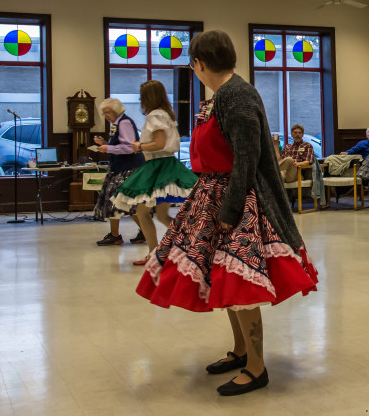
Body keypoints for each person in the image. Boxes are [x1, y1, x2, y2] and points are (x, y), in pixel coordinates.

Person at [136, 30, 318, 396]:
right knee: (224, 277)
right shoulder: (223, 95)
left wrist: (231, 209)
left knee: (241, 279)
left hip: (239, 200)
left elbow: (247, 159)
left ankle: (257, 367)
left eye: (194, 64)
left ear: (200, 64)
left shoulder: (236, 95)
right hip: (216, 195)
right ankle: (241, 350)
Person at [110, 80, 198, 265]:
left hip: (158, 165)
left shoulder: (155, 115)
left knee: (142, 212)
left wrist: (139, 146)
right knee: (162, 215)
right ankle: (187, 242)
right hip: (167, 164)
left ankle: (154, 252)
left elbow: (159, 143)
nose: (140, 100)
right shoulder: (166, 114)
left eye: (142, 96)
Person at [93, 98, 146, 246]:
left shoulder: (124, 123)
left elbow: (129, 147)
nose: (106, 116)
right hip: (118, 167)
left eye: (108, 112)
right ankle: (115, 234)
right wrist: (105, 143)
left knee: (124, 202)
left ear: (116, 110)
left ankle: (144, 229)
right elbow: (120, 144)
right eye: (104, 113)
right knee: (114, 201)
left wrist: (107, 148)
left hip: (128, 168)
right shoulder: (116, 124)